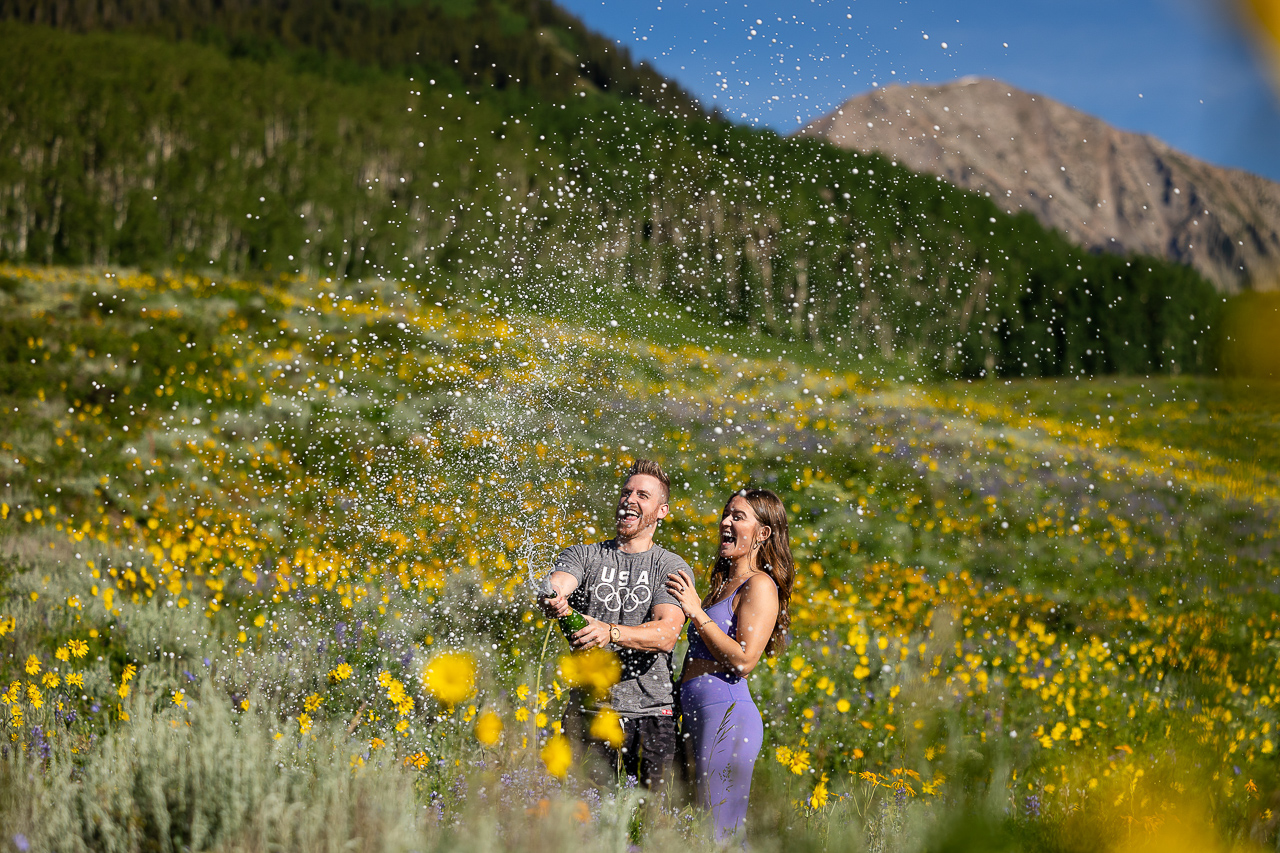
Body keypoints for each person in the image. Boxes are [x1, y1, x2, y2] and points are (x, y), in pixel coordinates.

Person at [540, 459, 690, 790]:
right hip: (590, 714)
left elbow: (667, 633)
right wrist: (554, 594)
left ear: (661, 511)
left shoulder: (669, 565)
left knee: (655, 830)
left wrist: (611, 633)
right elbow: (562, 580)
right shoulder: (584, 555)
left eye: (642, 495)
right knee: (582, 828)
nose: (629, 500)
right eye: (626, 492)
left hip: (652, 718)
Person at [665, 488, 795, 842]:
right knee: (693, 831)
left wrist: (694, 611)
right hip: (696, 713)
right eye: (726, 514)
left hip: (727, 713)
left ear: (763, 533)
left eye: (738, 517)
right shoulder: (721, 585)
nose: (725, 522)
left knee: (719, 833)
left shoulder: (760, 585)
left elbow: (744, 660)